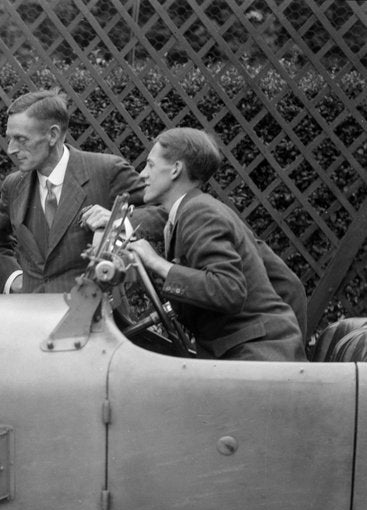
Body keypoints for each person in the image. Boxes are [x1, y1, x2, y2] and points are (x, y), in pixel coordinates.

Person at [126, 127, 306, 361]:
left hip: (255, 357)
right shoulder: (191, 211)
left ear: (176, 169)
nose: (142, 174)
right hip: (244, 353)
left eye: (150, 164)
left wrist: (155, 262)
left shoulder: (199, 212)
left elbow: (229, 289)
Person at [0, 89, 165, 294]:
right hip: (34, 317)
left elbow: (165, 211)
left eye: (21, 139)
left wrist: (118, 221)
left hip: (95, 315)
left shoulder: (106, 170)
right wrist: (13, 278)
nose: (11, 149)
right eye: (10, 138)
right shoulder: (14, 185)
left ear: (52, 135)